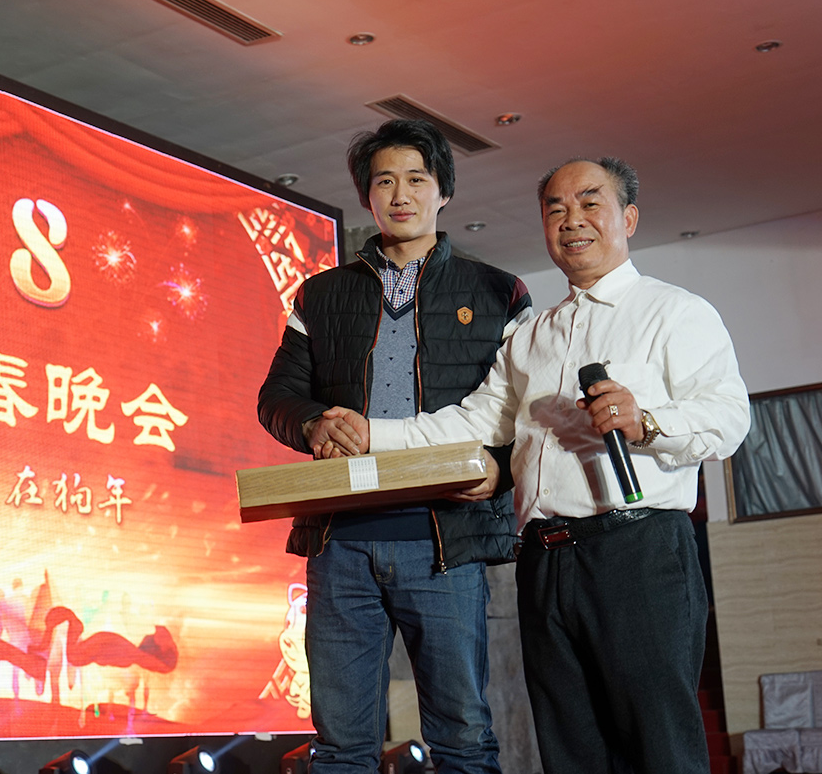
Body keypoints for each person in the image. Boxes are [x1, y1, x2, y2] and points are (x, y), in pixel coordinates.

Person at [327, 157, 751, 774]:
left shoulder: (675, 312)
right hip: (545, 560)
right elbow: (471, 422)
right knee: (569, 749)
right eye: (555, 209)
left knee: (658, 748)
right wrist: (372, 434)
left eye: (589, 204)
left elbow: (729, 419)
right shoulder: (531, 337)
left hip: (637, 552)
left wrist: (646, 422)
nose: (571, 220)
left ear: (629, 218)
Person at [257, 118, 532, 774]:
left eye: (416, 179)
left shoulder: (498, 291)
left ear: (443, 192)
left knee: (463, 738)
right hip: (340, 542)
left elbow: (524, 408)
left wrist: (499, 469)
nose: (400, 194)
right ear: (367, 196)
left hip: (445, 538)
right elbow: (276, 396)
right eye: (384, 182)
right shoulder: (321, 294)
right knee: (340, 745)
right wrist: (313, 423)